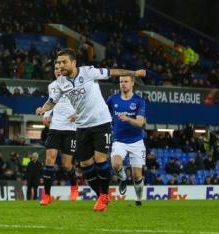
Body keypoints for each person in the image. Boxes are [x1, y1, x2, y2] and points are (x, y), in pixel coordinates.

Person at [36, 49, 145, 212]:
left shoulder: (88, 72)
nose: (60, 65)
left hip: (101, 122)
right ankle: (100, 194)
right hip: (81, 126)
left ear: (73, 63)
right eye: (58, 63)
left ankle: (104, 195)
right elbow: (53, 100)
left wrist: (134, 72)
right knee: (85, 163)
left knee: (100, 159)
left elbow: (113, 72)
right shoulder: (60, 83)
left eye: (63, 62)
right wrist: (43, 109)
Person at [39, 61, 78, 206]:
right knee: (50, 159)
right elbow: (51, 102)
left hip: (70, 129)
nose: (58, 71)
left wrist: (77, 114)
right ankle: (47, 196)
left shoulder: (74, 85)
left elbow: (83, 104)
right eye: (56, 69)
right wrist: (45, 114)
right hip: (55, 127)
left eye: (60, 69)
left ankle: (74, 185)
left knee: (66, 165)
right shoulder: (52, 86)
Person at [107, 75, 147, 206]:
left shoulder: (139, 101)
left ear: (132, 83)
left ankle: (138, 197)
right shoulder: (112, 100)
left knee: (137, 176)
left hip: (136, 141)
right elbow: (104, 114)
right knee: (116, 164)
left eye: (126, 81)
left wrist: (128, 119)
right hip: (119, 140)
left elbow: (140, 123)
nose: (123, 84)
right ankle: (122, 178)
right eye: (121, 82)